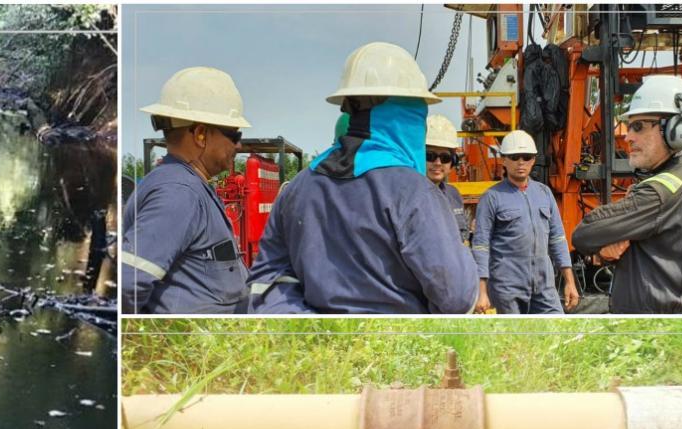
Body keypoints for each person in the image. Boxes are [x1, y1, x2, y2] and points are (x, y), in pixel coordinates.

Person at [247, 42, 477, 313]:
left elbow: (268, 281)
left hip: (319, 344)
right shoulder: (414, 192)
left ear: (347, 106)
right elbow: (458, 297)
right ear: (410, 112)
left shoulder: (298, 187)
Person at [571, 75, 682, 314]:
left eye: (639, 126)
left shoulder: (660, 192)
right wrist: (619, 238)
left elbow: (584, 233)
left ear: (676, 131)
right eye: (629, 127)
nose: (628, 137)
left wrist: (611, 236)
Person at [120, 66, 250, 314]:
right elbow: (129, 283)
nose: (239, 145)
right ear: (201, 134)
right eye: (234, 134)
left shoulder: (190, 186)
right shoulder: (178, 194)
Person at [471, 130, 578, 314]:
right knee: (516, 338)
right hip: (507, 289)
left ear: (533, 160)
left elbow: (558, 239)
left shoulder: (544, 193)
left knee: (558, 331)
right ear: (504, 160)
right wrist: (481, 292)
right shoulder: (492, 198)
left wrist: (570, 282)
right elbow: (481, 246)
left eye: (526, 157)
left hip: (544, 286)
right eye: (514, 157)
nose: (520, 162)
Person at [425, 114, 470, 244]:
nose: (438, 163)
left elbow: (463, 239)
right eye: (430, 156)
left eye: (445, 158)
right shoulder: (407, 196)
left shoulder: (453, 194)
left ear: (453, 162)